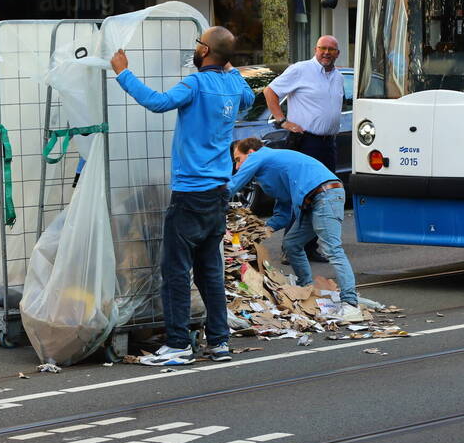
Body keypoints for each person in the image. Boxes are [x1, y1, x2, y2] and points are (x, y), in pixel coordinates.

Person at [111, 26, 255, 366]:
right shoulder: (233, 85)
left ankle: (178, 343)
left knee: (175, 270)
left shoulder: (195, 84)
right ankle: (219, 342)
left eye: (198, 43)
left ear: (205, 51)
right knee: (209, 268)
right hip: (218, 191)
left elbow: (157, 102)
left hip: (190, 190)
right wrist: (230, 66)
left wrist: (123, 73)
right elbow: (248, 98)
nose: (194, 48)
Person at [229, 137, 362, 322]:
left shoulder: (260, 156)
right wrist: (262, 231)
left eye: (237, 159)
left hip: (325, 194)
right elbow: (283, 212)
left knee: (332, 249)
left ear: (250, 154)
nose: (237, 167)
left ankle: (350, 304)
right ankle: (305, 289)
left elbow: (233, 185)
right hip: (314, 199)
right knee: (292, 244)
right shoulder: (270, 171)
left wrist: (208, 197)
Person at [263, 34, 345, 262]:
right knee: (302, 195)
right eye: (323, 48)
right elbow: (270, 91)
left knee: (323, 197)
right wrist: (282, 120)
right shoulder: (301, 69)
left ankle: (309, 247)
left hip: (328, 143)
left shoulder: (337, 77)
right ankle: (290, 248)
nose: (326, 53)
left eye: (331, 49)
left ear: (338, 53)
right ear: (315, 49)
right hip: (306, 142)